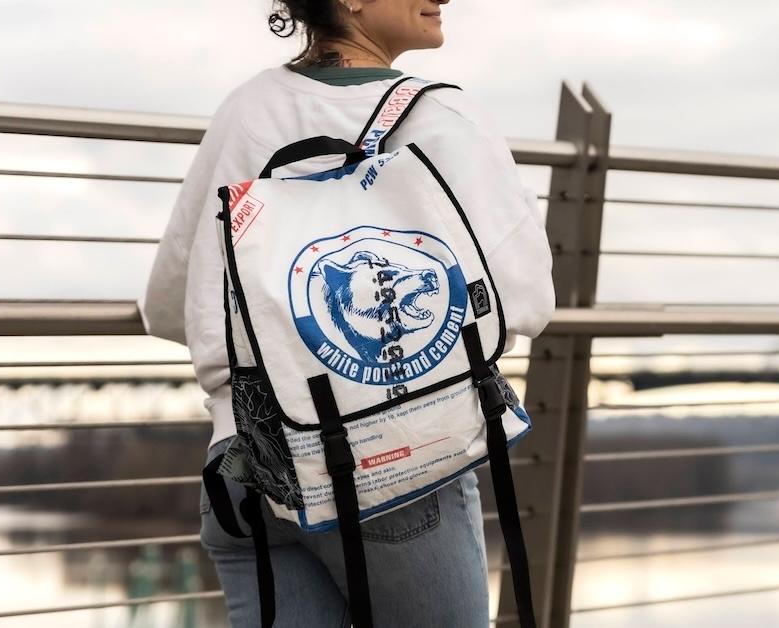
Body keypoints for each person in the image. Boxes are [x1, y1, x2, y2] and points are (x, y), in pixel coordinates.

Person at [140, 1, 555, 626]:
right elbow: (526, 301)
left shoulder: (244, 111)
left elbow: (170, 305)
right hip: (392, 467)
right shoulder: (444, 118)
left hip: (246, 468)